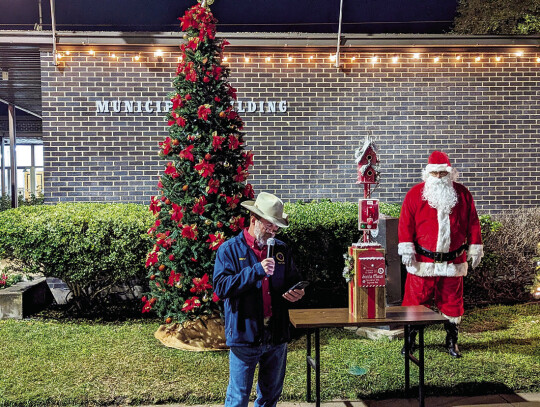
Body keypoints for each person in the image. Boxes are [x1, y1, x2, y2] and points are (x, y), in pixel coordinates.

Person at [213, 191, 305, 407]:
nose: (273, 231)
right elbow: (221, 287)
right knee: (238, 398)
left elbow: (293, 279)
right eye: (269, 225)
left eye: (277, 227)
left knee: (270, 396)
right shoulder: (229, 250)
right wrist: (255, 271)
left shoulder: (281, 250)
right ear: (253, 220)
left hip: (276, 335)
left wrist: (297, 292)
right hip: (245, 334)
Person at [398, 151, 483, 358]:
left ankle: (452, 341)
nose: (438, 178)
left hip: (453, 262)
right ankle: (410, 341)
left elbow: (473, 222)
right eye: (434, 173)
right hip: (423, 262)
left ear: (450, 173)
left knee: (453, 303)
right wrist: (407, 248)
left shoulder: (462, 194)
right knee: (415, 303)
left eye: (442, 174)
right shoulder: (415, 194)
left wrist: (475, 246)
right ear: (428, 174)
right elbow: (405, 223)